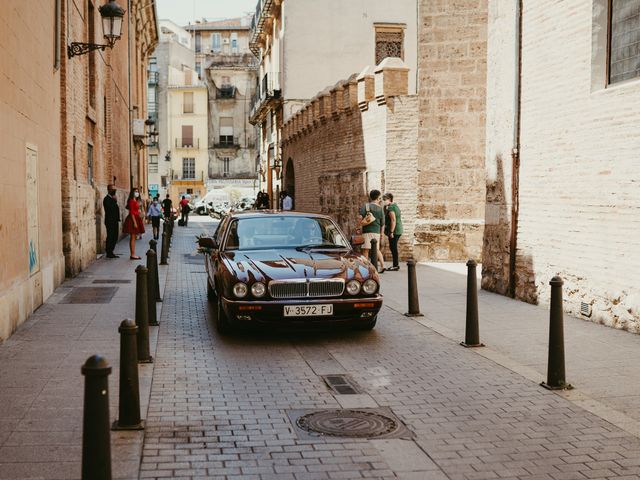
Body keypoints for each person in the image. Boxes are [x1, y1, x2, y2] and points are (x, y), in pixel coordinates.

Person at [358, 189, 385, 273]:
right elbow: (382, 223)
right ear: (377, 198)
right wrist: (382, 233)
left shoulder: (366, 206)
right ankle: (383, 265)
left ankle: (366, 267)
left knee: (366, 249)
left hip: (367, 231)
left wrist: (359, 226)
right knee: (376, 249)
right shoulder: (380, 209)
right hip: (376, 231)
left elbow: (359, 217)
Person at [122, 188, 145, 259]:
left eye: (138, 191)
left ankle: (133, 253)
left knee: (134, 237)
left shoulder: (135, 200)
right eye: (135, 191)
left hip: (136, 218)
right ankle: (132, 254)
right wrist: (135, 223)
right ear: (132, 193)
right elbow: (131, 213)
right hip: (133, 219)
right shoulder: (131, 201)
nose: (137, 193)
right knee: (133, 237)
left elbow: (136, 210)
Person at [383, 193, 403, 271]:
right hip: (398, 229)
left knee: (393, 248)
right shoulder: (395, 206)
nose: (384, 201)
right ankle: (396, 265)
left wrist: (391, 232)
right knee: (393, 247)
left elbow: (393, 220)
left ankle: (395, 265)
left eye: (385, 200)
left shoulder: (391, 208)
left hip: (394, 231)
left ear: (389, 199)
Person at [102, 183, 120, 258]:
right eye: (113, 189)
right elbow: (109, 209)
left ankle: (111, 251)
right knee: (110, 236)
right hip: (110, 221)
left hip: (115, 220)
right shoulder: (106, 199)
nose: (114, 190)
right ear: (109, 190)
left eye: (114, 189)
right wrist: (115, 201)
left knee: (115, 236)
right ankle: (109, 252)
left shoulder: (112, 198)